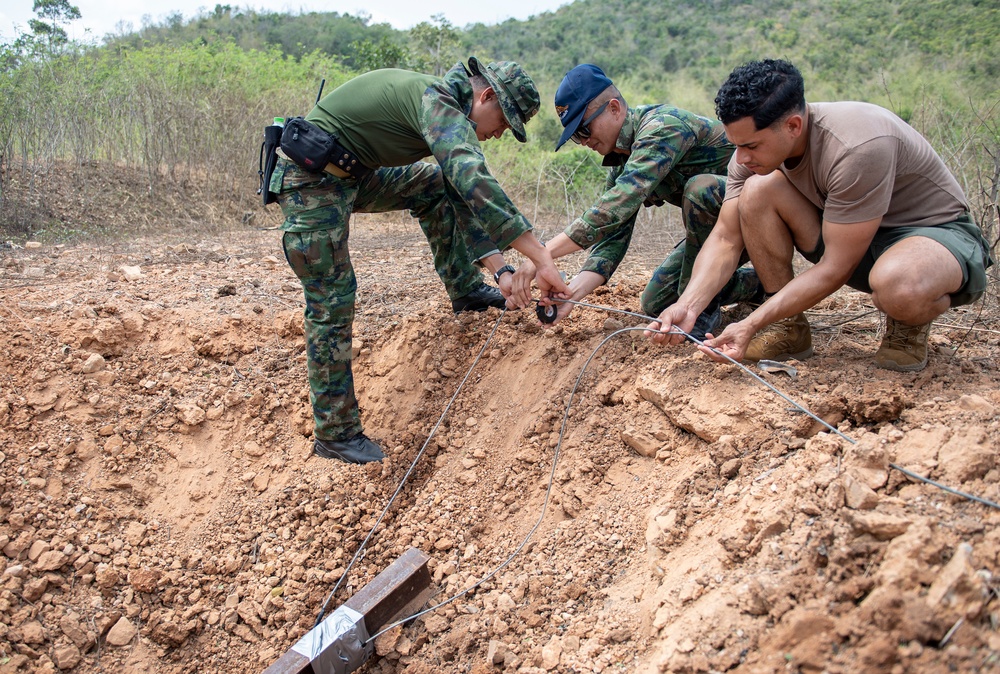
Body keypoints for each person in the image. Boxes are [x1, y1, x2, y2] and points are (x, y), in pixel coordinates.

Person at [270, 57, 570, 464]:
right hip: (311, 184)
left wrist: (501, 269)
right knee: (332, 298)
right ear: (484, 96)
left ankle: (466, 291)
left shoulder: (439, 101)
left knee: (434, 184)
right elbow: (473, 178)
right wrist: (541, 256)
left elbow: (458, 188)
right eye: (502, 122)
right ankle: (334, 434)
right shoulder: (437, 100)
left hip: (351, 176)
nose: (498, 134)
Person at [647, 59, 993, 372]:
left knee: (898, 285)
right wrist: (688, 306)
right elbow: (725, 238)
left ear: (794, 125)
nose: (741, 157)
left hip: (931, 236)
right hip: (849, 234)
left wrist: (752, 322)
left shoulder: (856, 146)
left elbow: (835, 269)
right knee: (757, 190)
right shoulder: (749, 158)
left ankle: (907, 325)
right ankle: (788, 329)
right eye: (736, 144)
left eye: (751, 145)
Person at [509, 64, 762, 337]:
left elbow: (613, 208)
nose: (583, 141)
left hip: (759, 211)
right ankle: (761, 286)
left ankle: (701, 309)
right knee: (657, 301)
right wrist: (569, 295)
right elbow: (610, 240)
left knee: (701, 189)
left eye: (584, 129)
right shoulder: (621, 161)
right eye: (575, 137)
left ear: (614, 108)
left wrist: (541, 254)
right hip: (719, 235)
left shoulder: (661, 127)